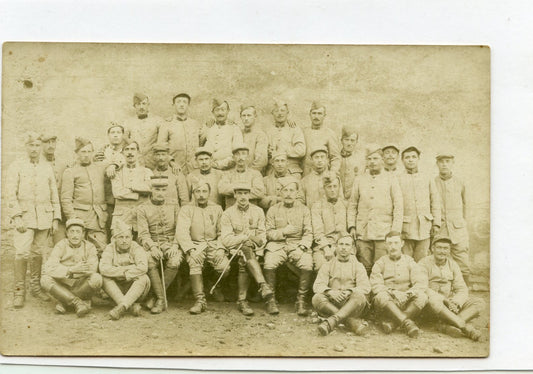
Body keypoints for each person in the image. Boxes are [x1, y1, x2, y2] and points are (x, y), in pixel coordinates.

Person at [6, 131, 62, 308]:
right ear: (26, 147)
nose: (34, 149)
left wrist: (55, 218)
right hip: (25, 217)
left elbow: (54, 194)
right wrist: (17, 216)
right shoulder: (16, 166)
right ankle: (18, 291)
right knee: (22, 252)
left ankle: (35, 287)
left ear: (41, 147)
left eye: (37, 145)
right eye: (31, 145)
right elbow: (9, 194)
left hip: (44, 217)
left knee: (38, 253)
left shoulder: (47, 167)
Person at [176, 179, 230, 314]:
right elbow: (182, 232)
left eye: (204, 191)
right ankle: (200, 300)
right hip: (195, 245)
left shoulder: (217, 208)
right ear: (193, 193)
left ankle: (213, 285)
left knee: (224, 267)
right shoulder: (186, 209)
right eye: (197, 191)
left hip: (213, 244)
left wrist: (221, 248)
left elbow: (222, 231)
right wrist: (191, 250)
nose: (201, 195)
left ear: (209, 193)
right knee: (195, 262)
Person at [220, 182, 274, 316]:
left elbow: (262, 237)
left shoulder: (258, 211)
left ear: (250, 195)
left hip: (256, 249)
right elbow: (226, 240)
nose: (243, 196)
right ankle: (263, 286)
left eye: (245, 193)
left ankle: (242, 300)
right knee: (244, 251)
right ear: (234, 195)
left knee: (246, 256)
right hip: (235, 249)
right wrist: (245, 238)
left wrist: (254, 243)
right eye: (239, 193)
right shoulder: (228, 213)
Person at [348, 145, 403, 274]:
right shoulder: (359, 179)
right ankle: (365, 293)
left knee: (381, 267)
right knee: (364, 267)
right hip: (363, 231)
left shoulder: (391, 179)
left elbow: (398, 206)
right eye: (369, 159)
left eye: (376, 158)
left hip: (383, 232)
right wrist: (352, 226)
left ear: (382, 160)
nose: (372, 162)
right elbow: (352, 205)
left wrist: (395, 231)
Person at [263, 176, 314, 316]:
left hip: (297, 245)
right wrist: (283, 232)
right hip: (277, 245)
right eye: (285, 190)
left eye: (292, 190)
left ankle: (301, 300)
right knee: (269, 263)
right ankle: (271, 299)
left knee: (307, 264)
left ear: (297, 193)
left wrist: (301, 248)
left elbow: (309, 233)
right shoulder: (273, 210)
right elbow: (268, 233)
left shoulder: (304, 210)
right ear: (280, 193)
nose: (288, 194)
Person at [419, 235, 484, 341]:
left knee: (479, 302)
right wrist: (445, 300)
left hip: (450, 304)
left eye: (445, 248)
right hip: (430, 306)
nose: (442, 251)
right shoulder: (423, 263)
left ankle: (446, 325)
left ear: (449, 250)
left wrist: (456, 302)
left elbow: (462, 288)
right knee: (434, 301)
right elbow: (422, 287)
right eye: (439, 247)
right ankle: (464, 327)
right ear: (432, 248)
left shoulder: (453, 265)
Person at [62, 137, 119, 255]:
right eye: (83, 152)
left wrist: (113, 165)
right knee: (78, 252)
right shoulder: (70, 171)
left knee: (101, 250)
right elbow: (66, 199)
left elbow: (119, 161)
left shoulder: (101, 166)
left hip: (99, 218)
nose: (86, 155)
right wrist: (73, 219)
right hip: (79, 217)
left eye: (89, 151)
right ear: (76, 153)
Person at [137, 176, 182, 314]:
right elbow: (143, 234)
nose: (160, 193)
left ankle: (155, 296)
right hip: (153, 243)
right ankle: (162, 299)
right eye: (157, 189)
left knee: (175, 261)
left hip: (171, 243)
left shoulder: (174, 205)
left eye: (163, 189)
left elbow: (180, 229)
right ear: (151, 190)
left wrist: (175, 245)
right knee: (150, 260)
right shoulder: (142, 208)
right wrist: (153, 247)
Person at [370, 231, 428, 338]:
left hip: (406, 300)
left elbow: (420, 282)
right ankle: (407, 323)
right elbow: (376, 285)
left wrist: (408, 294)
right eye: (390, 243)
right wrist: (393, 292)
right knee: (381, 296)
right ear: (385, 245)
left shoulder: (410, 261)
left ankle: (394, 323)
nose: (393, 247)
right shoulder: (380, 263)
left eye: (396, 243)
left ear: (402, 243)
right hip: (388, 303)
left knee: (422, 296)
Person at [41, 218, 102, 317]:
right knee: (45, 280)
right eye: (72, 232)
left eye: (78, 232)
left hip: (81, 284)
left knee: (97, 278)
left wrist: (76, 272)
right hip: (63, 283)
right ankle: (78, 303)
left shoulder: (90, 247)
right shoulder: (60, 245)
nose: (75, 235)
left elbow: (92, 268)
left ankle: (64, 301)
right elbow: (49, 267)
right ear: (67, 234)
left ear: (83, 234)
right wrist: (70, 270)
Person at [312, 235, 370, 336]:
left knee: (360, 296)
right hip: (332, 303)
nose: (343, 247)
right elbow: (317, 285)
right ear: (336, 246)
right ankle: (351, 322)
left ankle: (332, 321)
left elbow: (365, 287)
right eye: (341, 244)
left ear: (352, 248)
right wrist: (330, 292)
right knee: (316, 298)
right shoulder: (327, 265)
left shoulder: (358, 266)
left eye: (347, 245)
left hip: (351, 305)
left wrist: (349, 291)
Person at [99, 219, 150, 320]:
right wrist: (126, 271)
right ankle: (128, 306)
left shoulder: (136, 247)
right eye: (121, 237)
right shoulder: (110, 248)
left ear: (131, 238)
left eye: (127, 237)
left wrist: (120, 272)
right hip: (116, 288)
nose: (124, 240)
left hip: (134, 287)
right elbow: (103, 268)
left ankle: (121, 307)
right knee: (104, 278)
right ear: (115, 239)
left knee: (143, 277)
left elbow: (143, 267)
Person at [434, 151, 471, 285]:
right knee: (440, 260)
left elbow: (466, 204)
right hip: (441, 228)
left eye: (447, 161)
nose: (444, 164)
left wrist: (462, 222)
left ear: (452, 163)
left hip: (458, 228)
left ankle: (464, 292)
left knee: (462, 261)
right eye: (441, 161)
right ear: (437, 163)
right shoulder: (432, 182)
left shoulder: (460, 182)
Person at [398, 146, 441, 261]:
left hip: (424, 227)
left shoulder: (427, 178)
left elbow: (435, 201)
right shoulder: (398, 179)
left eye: (413, 157)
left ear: (418, 159)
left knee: (422, 260)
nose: (410, 160)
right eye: (407, 157)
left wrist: (436, 223)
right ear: (402, 160)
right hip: (405, 227)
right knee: (406, 261)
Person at [111, 140, 153, 234]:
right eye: (127, 149)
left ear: (138, 152)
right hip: (121, 217)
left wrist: (130, 187)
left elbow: (149, 188)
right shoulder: (116, 172)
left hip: (142, 217)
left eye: (133, 149)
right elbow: (117, 193)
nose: (130, 152)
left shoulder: (147, 172)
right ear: (122, 153)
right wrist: (140, 192)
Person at [311, 172, 349, 271]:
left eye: (335, 186)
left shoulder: (346, 205)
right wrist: (327, 249)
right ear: (324, 189)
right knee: (322, 266)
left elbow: (348, 232)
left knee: (349, 266)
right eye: (329, 187)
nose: (332, 190)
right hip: (323, 246)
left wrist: (339, 247)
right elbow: (318, 232)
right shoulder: (317, 206)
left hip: (344, 244)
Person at [157, 93, 200, 175]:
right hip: (174, 169)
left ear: (188, 105)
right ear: (173, 105)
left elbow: (201, 143)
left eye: (184, 102)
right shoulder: (166, 124)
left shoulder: (195, 124)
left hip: (194, 169)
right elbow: (160, 148)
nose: (181, 105)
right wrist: (172, 163)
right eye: (178, 102)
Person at [40, 132, 69, 245]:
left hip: (59, 213)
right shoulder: (37, 164)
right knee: (41, 247)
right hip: (42, 212)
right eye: (47, 143)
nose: (50, 145)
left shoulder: (62, 164)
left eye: (53, 142)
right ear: (41, 144)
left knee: (60, 244)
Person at [266, 99, 306, 178]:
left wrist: (283, 150)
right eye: (276, 111)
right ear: (272, 114)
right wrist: (268, 152)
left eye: (282, 110)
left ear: (287, 113)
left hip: (291, 171)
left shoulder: (294, 129)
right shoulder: (268, 131)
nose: (280, 113)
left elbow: (301, 150)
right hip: (273, 172)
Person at [218, 143, 266, 208]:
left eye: (243, 153)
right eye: (237, 154)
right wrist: (247, 189)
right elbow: (222, 189)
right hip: (231, 211)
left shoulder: (255, 174)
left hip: (251, 211)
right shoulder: (227, 174)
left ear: (248, 157)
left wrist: (234, 189)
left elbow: (260, 192)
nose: (240, 157)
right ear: (233, 157)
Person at [124, 93, 163, 170]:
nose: (141, 107)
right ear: (134, 106)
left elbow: (162, 141)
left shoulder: (158, 120)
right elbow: (124, 140)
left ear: (148, 105)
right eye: (138, 104)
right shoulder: (128, 122)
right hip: (136, 161)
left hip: (154, 161)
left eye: (144, 104)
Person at [203, 99, 244, 170]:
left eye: (223, 109)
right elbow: (200, 149)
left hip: (228, 170)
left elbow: (237, 153)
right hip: (208, 170)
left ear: (228, 111)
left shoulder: (235, 128)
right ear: (213, 112)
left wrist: (217, 165)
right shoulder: (208, 127)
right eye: (217, 110)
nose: (220, 113)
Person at [302, 101, 341, 175]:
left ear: (324, 115)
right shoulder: (303, 132)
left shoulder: (330, 133)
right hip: (306, 174)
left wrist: (332, 172)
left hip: (323, 175)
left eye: (319, 114)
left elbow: (335, 158)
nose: (316, 117)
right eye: (314, 113)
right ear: (310, 114)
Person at [151, 143, 190, 208]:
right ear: (154, 157)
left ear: (168, 156)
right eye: (158, 155)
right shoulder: (151, 174)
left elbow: (184, 199)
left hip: (174, 213)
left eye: (163, 155)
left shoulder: (176, 173)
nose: (161, 158)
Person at [338, 125, 366, 200]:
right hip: (339, 199)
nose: (349, 143)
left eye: (352, 140)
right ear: (341, 141)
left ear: (356, 142)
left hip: (356, 198)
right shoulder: (335, 157)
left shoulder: (362, 158)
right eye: (346, 140)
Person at [240, 104, 268, 173]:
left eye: (249, 115)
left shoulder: (260, 135)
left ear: (255, 117)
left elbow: (261, 160)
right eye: (244, 115)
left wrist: (247, 173)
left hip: (254, 173)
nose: (246, 118)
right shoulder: (238, 133)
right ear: (240, 117)